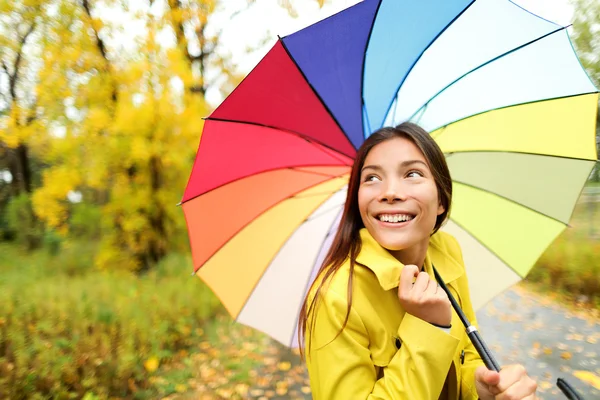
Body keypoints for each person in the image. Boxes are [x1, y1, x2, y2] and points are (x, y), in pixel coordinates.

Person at [297, 123, 538, 399]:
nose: (389, 192)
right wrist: (429, 327)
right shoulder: (336, 297)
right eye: (372, 178)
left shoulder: (447, 251)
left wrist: (479, 386)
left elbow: (466, 355)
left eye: (412, 173)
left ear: (441, 201)